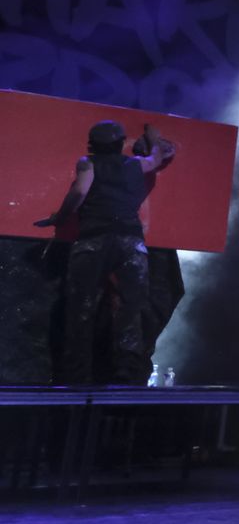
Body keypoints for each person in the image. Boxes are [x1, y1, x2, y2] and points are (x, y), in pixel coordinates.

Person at [36, 120, 176, 385]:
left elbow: (80, 190)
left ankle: (77, 376)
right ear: (119, 142)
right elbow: (157, 158)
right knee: (129, 310)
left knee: (82, 309)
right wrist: (153, 136)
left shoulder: (88, 163)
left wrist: (60, 218)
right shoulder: (135, 164)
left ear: (93, 143)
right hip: (130, 243)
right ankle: (126, 373)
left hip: (93, 240)